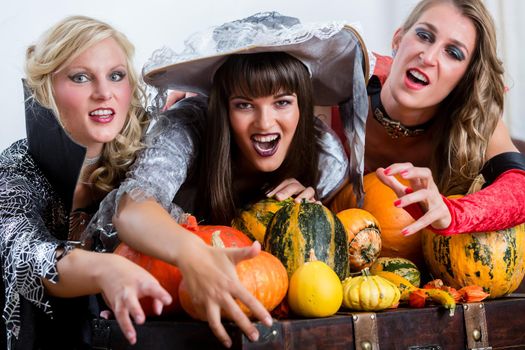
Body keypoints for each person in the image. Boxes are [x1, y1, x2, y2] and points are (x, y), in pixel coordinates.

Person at [86, 12, 369, 348]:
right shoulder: (186, 128)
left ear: (302, 105)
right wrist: (193, 253)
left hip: (249, 308)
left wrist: (305, 215)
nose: (265, 123)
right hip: (145, 297)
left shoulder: (325, 158)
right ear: (222, 107)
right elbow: (132, 209)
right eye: (244, 105)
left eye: (282, 102)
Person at [0, 16, 174, 349]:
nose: (104, 93)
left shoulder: (144, 169)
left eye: (116, 76)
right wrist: (107, 270)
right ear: (46, 89)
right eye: (81, 77)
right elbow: (28, 254)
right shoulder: (14, 170)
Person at [331, 0, 525, 235]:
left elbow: (521, 186)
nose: (429, 57)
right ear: (398, 39)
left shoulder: (474, 121)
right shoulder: (339, 84)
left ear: (466, 77)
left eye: (453, 53)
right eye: (424, 35)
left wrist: (452, 213)